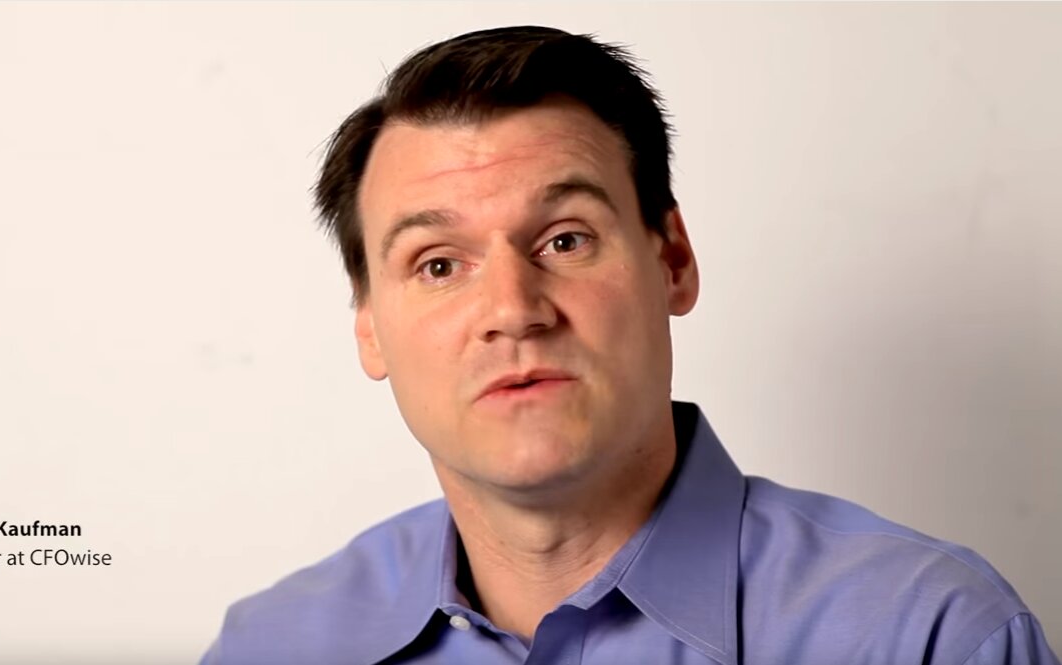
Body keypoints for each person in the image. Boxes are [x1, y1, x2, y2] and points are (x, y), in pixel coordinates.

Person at [201, 26, 1059, 665]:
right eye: (437, 263)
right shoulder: (269, 646)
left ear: (672, 260)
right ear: (368, 324)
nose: (512, 310)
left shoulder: (930, 635)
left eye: (565, 240)